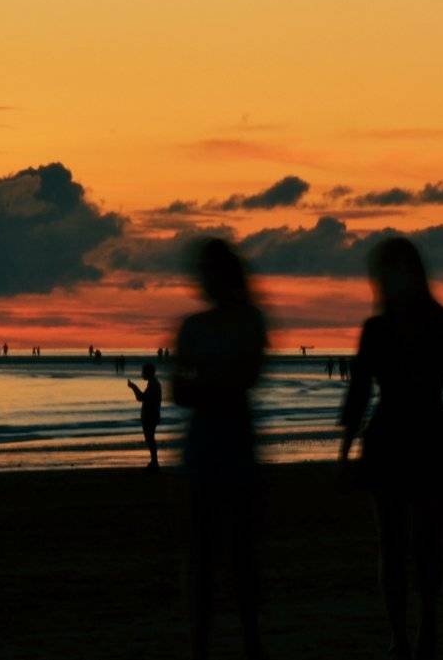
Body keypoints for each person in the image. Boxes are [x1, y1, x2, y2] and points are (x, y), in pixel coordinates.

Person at [339, 237, 443, 660]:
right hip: (411, 436)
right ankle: (404, 634)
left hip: (411, 435)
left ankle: (420, 627)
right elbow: (361, 390)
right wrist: (345, 444)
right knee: (399, 543)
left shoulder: (397, 327)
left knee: (416, 542)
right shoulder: (427, 324)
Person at [173, 238, 269, 660]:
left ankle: (240, 641)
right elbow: (183, 388)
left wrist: (206, 384)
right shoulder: (212, 325)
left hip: (224, 440)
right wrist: (219, 383)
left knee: (230, 551)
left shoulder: (238, 322)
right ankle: (218, 642)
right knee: (213, 552)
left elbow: (239, 378)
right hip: (219, 438)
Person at [128, 362, 163, 469]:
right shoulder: (153, 383)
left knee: (150, 439)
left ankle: (154, 462)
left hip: (150, 416)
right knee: (150, 438)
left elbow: (141, 398)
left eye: (143, 371)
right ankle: (154, 461)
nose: (142, 373)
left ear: (148, 372)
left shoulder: (153, 384)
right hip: (152, 415)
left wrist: (134, 387)